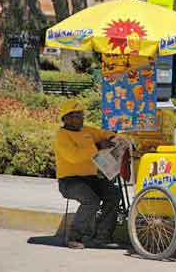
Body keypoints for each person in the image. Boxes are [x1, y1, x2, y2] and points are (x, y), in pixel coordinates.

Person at [53, 100, 127, 249]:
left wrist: (113, 138)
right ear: (66, 118)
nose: (81, 118)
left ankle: (102, 236)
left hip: (90, 178)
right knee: (91, 200)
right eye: (76, 116)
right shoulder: (61, 136)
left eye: (81, 115)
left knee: (114, 194)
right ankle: (75, 237)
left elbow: (103, 134)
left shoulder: (88, 131)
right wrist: (98, 146)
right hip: (70, 181)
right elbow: (74, 156)